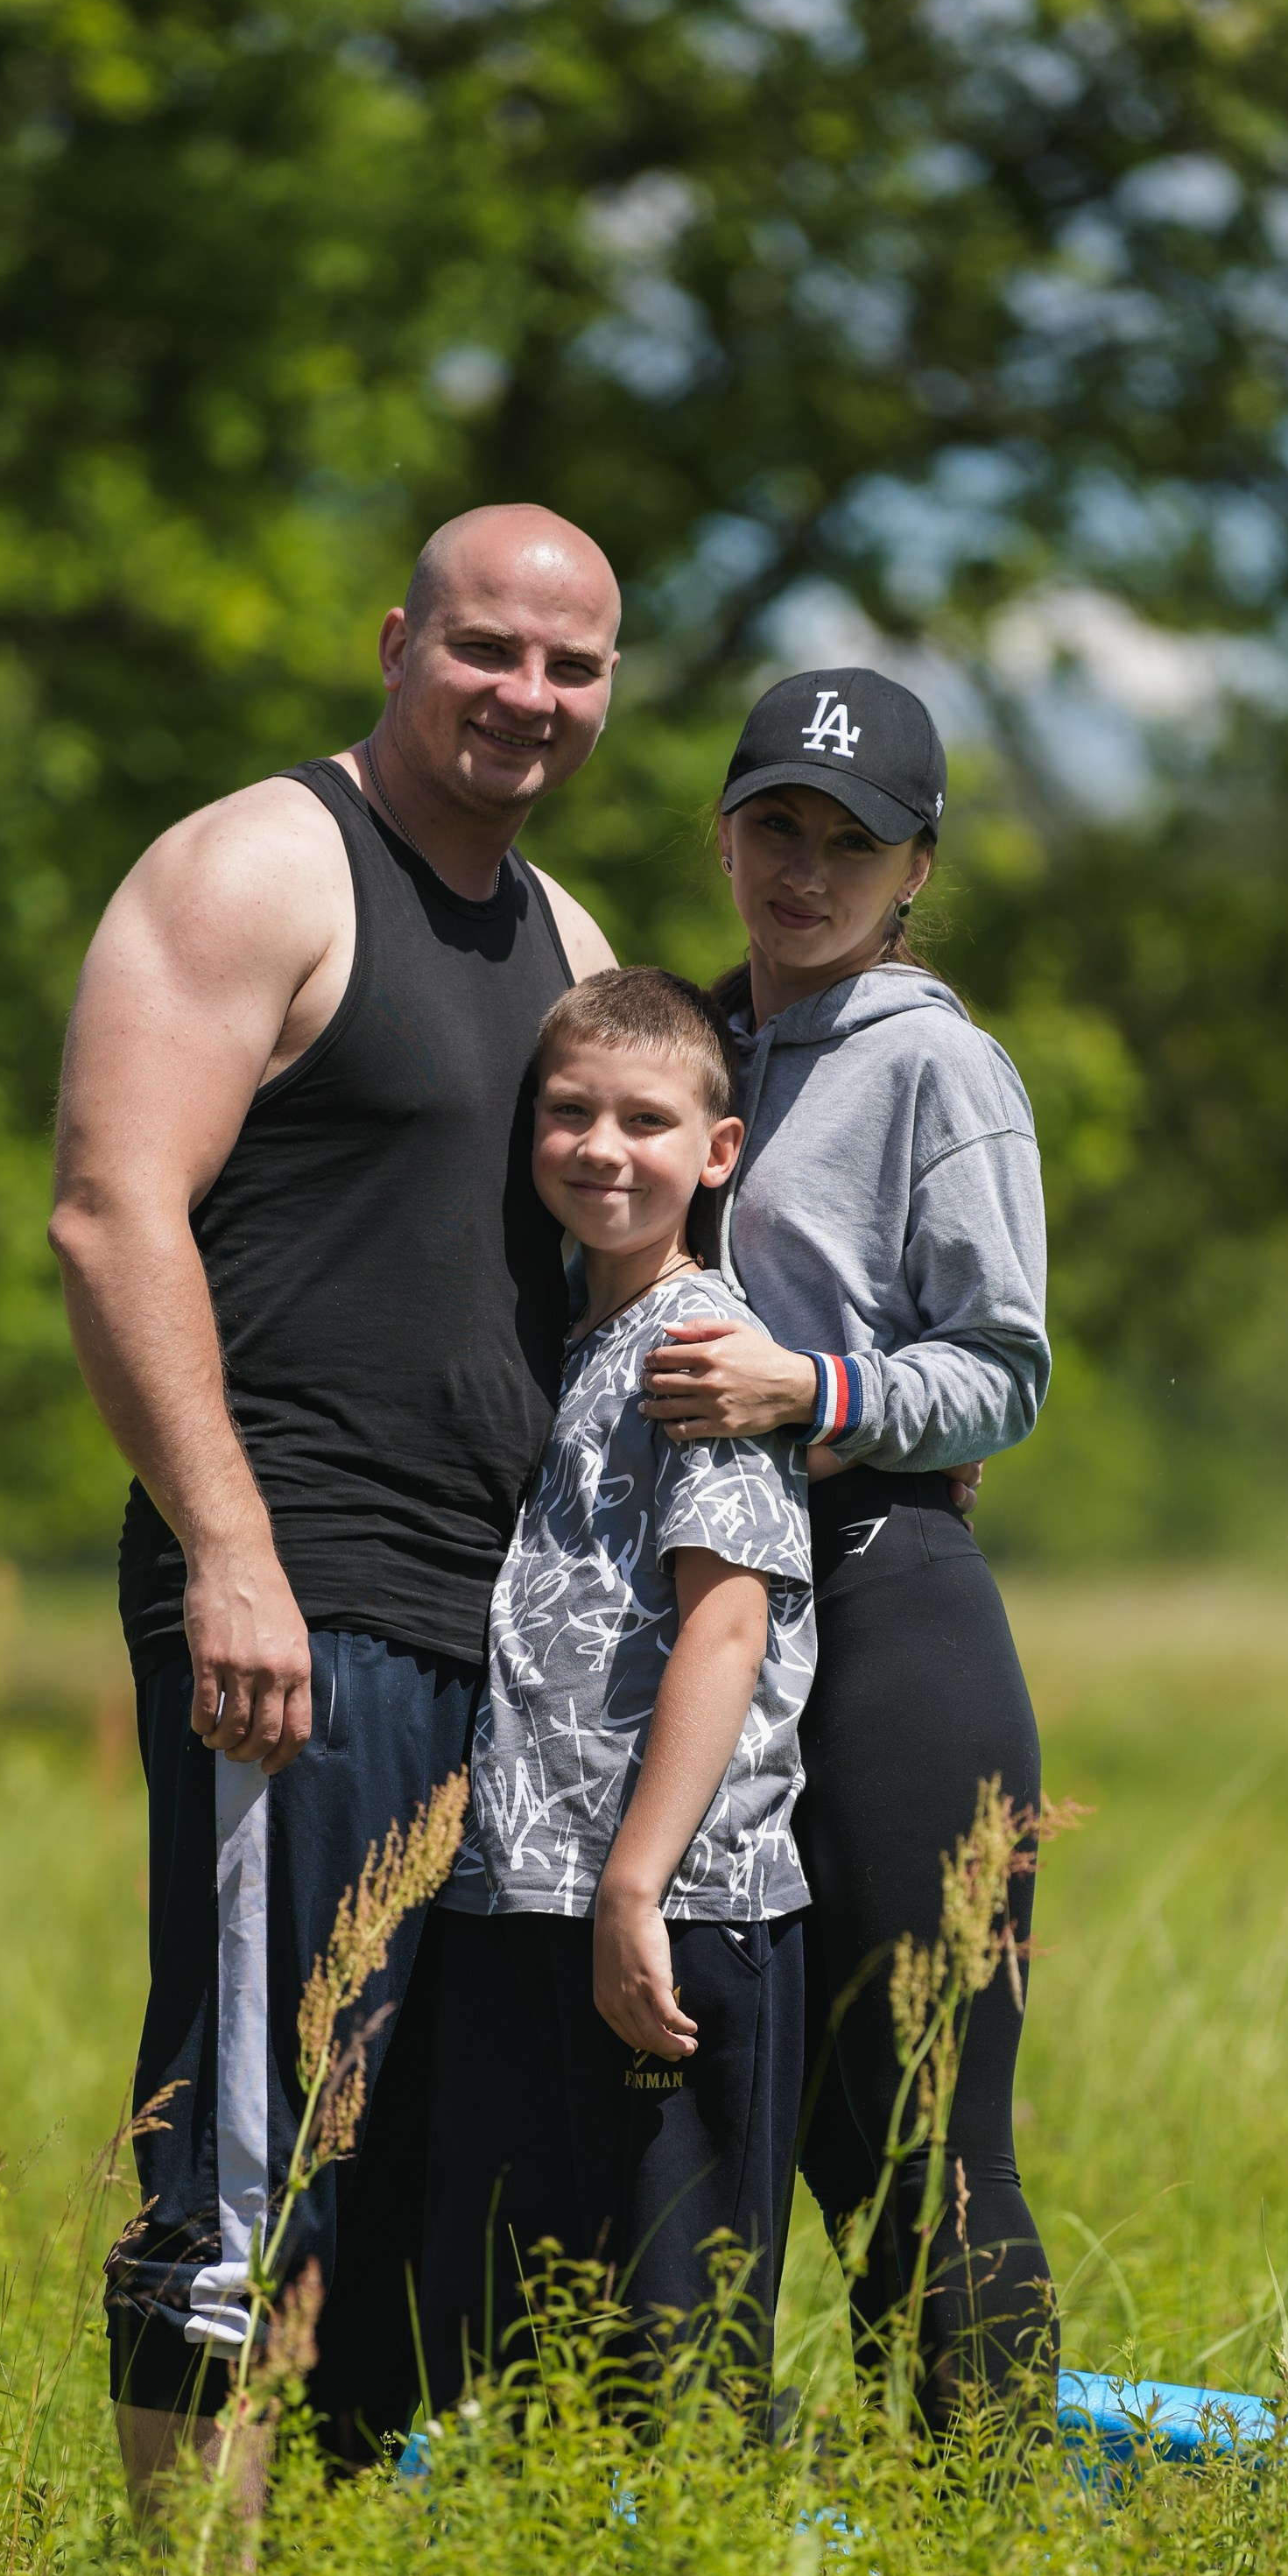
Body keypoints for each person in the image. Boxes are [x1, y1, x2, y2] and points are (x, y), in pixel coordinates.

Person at [48, 504, 620, 2516]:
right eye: (484, 650)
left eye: (568, 667)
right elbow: (114, 1215)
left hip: (500, 1641)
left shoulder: (567, 942)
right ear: (398, 641)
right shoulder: (261, 868)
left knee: (423, 2159)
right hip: (292, 1608)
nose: (523, 697)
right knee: (246, 2139)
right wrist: (224, 1549)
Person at [637, 665, 1055, 2422]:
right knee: (746, 2113)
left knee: (918, 2141)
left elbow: (1003, 1370)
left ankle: (983, 2555)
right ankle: (717, 2540)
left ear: (914, 874)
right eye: (774, 827)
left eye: (850, 842)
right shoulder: (665, 1051)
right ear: (722, 835)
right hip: (692, 1625)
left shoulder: (936, 1067)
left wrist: (805, 1387)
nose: (805, 868)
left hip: (887, 1619)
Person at [419, 968, 813, 2406]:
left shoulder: (705, 1350)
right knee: (526, 2350)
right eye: (569, 1113)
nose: (602, 1147)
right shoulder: (565, 1346)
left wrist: (634, 1889)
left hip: (676, 1911)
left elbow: (726, 1627)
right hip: (522, 1900)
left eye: (646, 1120)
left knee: (674, 2362)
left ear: (718, 1152)